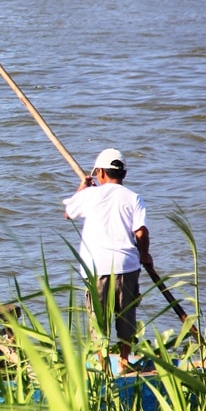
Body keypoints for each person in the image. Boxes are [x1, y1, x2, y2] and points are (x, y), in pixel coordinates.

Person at [63, 148, 152, 365]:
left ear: (101, 173)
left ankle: (102, 364)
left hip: (96, 268)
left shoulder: (89, 195)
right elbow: (140, 232)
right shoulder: (134, 197)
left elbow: (68, 214)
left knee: (98, 321)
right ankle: (124, 360)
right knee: (126, 317)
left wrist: (83, 187)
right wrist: (145, 254)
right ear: (124, 174)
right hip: (127, 265)